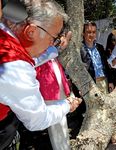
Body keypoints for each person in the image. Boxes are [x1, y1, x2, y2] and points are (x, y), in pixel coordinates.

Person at [0, 1, 81, 149]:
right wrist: (67, 105)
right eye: (53, 38)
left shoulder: (6, 32)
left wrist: (54, 49)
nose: (52, 43)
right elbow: (37, 120)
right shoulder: (14, 67)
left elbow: (33, 60)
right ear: (31, 31)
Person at [80, 21, 114, 93]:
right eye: (88, 32)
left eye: (94, 32)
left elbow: (106, 65)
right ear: (83, 33)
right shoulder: (80, 49)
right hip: (90, 85)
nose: (91, 35)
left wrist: (110, 81)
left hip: (104, 82)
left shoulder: (100, 47)